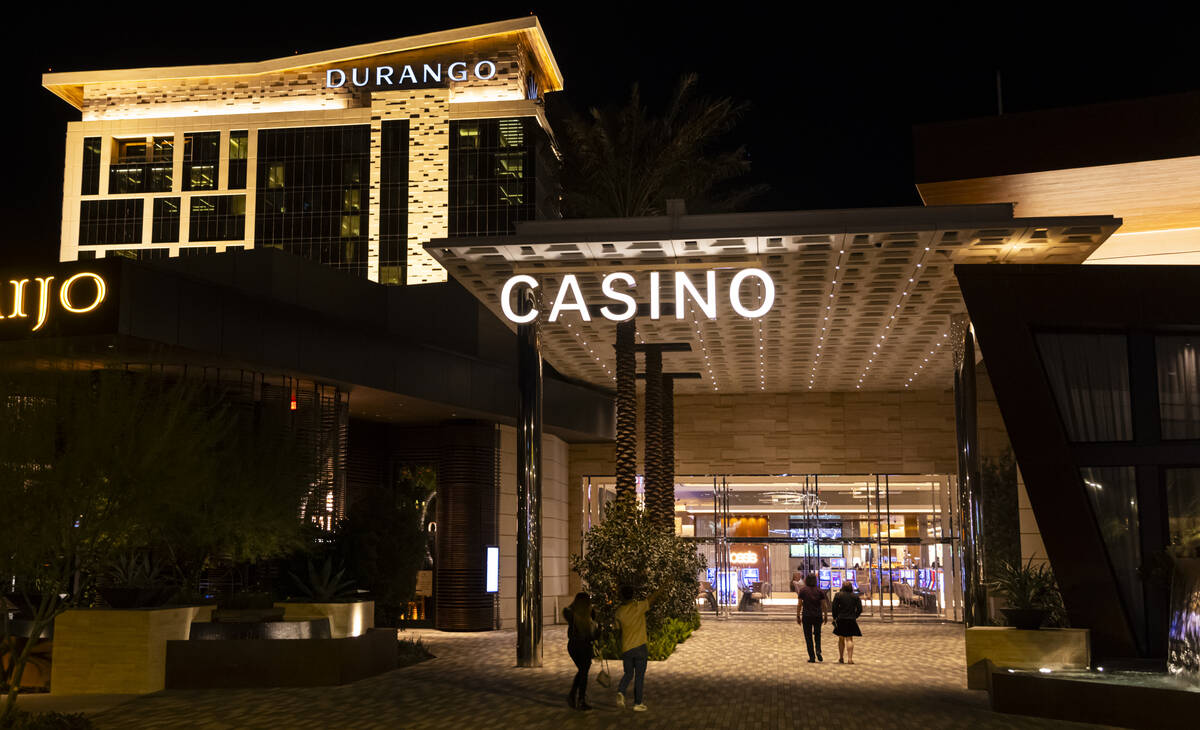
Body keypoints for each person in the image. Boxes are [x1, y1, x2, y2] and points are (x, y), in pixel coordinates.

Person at [614, 584, 664, 712]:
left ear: (622, 596)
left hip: (627, 647)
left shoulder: (619, 612)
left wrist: (618, 644)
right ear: (632, 595)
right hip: (640, 646)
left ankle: (621, 691)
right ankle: (637, 703)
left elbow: (617, 631)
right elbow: (653, 598)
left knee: (628, 673)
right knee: (639, 676)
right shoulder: (638, 607)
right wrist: (663, 586)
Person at [563, 591, 598, 710]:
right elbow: (594, 632)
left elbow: (566, 610)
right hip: (584, 646)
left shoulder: (572, 613)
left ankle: (574, 696)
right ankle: (579, 698)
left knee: (582, 672)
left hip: (574, 646)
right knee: (583, 672)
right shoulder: (585, 614)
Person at [795, 573, 829, 662]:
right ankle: (818, 650)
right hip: (818, 616)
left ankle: (812, 657)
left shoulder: (803, 591)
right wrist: (825, 615)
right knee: (818, 634)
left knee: (808, 636)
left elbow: (799, 604)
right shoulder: (820, 591)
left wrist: (798, 615)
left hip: (807, 616)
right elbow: (824, 605)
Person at [831, 581, 863, 664]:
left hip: (841, 619)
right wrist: (855, 616)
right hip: (851, 619)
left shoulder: (838, 595)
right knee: (849, 639)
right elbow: (860, 609)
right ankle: (850, 659)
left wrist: (835, 617)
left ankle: (841, 657)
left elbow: (834, 608)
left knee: (841, 638)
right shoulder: (855, 596)